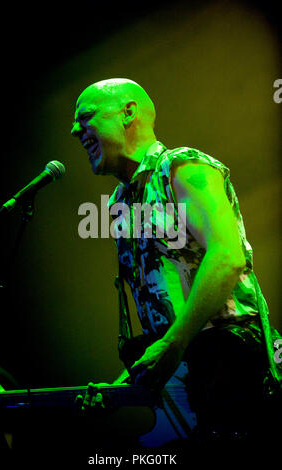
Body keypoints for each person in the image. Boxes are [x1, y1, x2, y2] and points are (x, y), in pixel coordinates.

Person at [71, 78, 281, 456]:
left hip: (234, 369)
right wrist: (122, 388)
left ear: (128, 112)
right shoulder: (120, 202)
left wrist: (172, 344)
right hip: (195, 380)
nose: (74, 130)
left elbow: (227, 256)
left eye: (84, 117)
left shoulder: (182, 167)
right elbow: (165, 328)